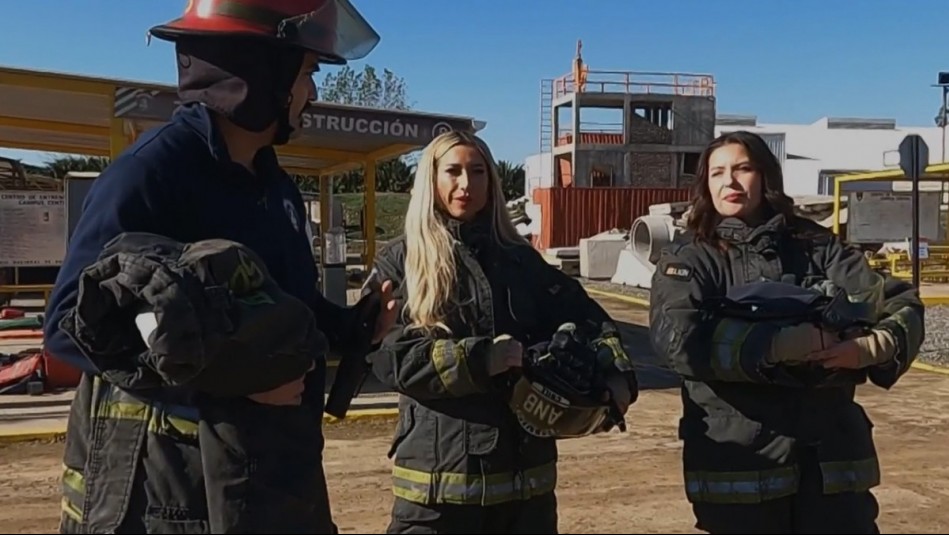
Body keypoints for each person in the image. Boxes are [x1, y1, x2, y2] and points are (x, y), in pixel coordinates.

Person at [43, 1, 396, 533]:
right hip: (168, 495)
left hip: (269, 481)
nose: (314, 94)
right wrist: (230, 379)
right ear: (260, 76)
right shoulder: (150, 176)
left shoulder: (272, 185)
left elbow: (277, 303)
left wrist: (351, 327)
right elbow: (70, 324)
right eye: (306, 74)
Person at [649, 130, 926, 534]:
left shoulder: (818, 247)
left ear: (765, 177)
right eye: (717, 172)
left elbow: (901, 302)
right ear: (705, 185)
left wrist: (870, 348)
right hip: (743, 470)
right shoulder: (691, 258)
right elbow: (677, 338)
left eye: (743, 168)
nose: (730, 181)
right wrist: (773, 346)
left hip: (831, 466)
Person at [364, 130, 640, 534]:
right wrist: (480, 359)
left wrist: (616, 374)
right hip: (437, 497)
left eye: (478, 172)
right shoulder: (399, 262)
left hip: (526, 494)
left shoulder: (522, 261)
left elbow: (589, 319)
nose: (465, 184)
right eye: (453, 171)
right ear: (431, 180)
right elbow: (388, 356)